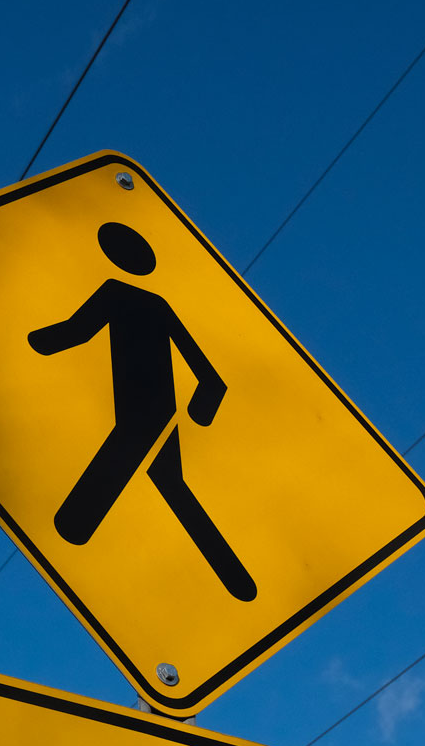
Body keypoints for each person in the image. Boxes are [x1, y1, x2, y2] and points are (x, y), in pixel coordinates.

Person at [27, 221, 256, 602]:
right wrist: (206, 395)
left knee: (122, 464)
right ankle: (235, 577)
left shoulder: (117, 294)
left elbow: (77, 331)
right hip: (162, 406)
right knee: (169, 479)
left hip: (138, 405)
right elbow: (206, 370)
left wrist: (34, 340)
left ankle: (73, 526)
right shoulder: (156, 304)